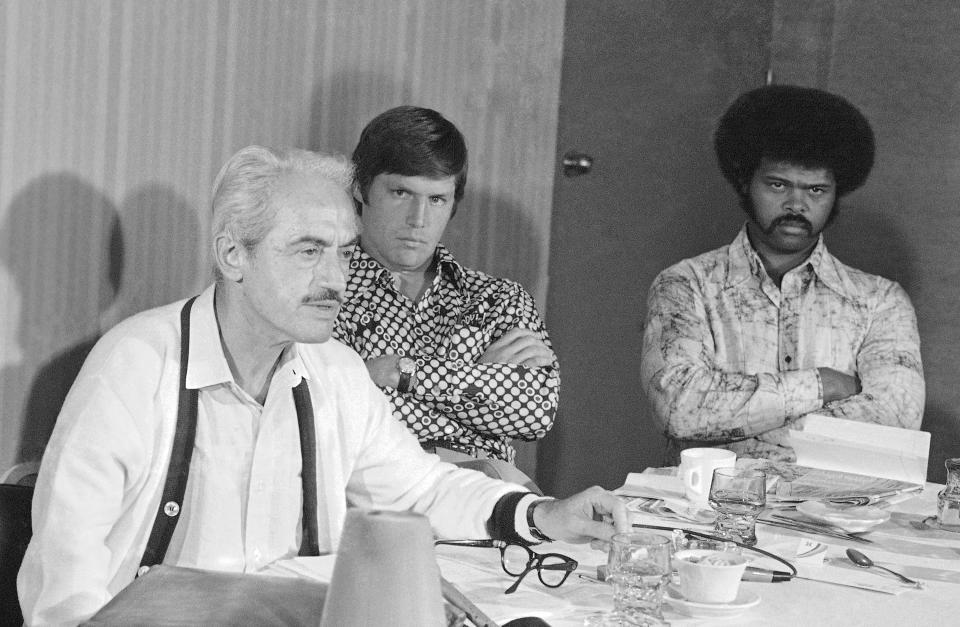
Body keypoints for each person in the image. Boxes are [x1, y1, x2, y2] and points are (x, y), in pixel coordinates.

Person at [18, 146, 627, 625]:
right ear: (233, 255)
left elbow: (418, 489)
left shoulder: (333, 370)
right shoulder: (134, 367)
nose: (335, 278)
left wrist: (545, 515)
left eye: (342, 252)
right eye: (309, 251)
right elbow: (62, 584)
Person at [640, 85, 925, 464]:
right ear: (746, 182)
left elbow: (894, 423)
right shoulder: (686, 285)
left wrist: (739, 436)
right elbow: (678, 407)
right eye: (778, 185)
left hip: (835, 514)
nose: (796, 204)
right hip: (710, 510)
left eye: (816, 190)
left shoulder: (880, 301)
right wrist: (823, 384)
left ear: (836, 193)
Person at [333, 106, 559, 468]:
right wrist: (478, 381)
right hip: (375, 493)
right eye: (401, 193)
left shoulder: (498, 299)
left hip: (490, 498)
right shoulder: (327, 292)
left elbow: (535, 411)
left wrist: (395, 372)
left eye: (437, 199)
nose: (418, 220)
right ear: (360, 188)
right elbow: (332, 407)